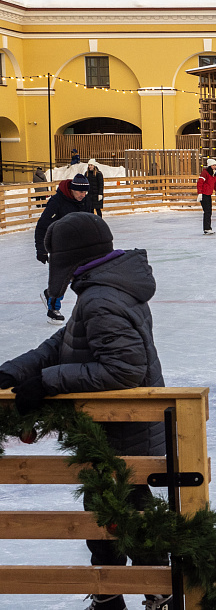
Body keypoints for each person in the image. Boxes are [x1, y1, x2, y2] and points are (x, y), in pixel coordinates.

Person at [0, 212, 171, 610]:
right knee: (107, 518)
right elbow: (66, 339)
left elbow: (125, 370)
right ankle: (112, 592)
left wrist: (48, 382)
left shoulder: (101, 298)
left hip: (123, 436)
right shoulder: (102, 289)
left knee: (124, 519)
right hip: (115, 433)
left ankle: (154, 593)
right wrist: (16, 371)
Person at [35, 174, 90, 324]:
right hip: (60, 246)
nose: (83, 195)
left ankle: (53, 294)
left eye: (85, 192)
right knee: (62, 278)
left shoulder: (85, 200)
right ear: (72, 189)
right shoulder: (57, 202)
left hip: (79, 246)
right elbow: (42, 225)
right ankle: (53, 308)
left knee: (84, 275)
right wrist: (41, 249)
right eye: (80, 192)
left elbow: (90, 222)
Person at [196, 158, 216, 235]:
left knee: (209, 212)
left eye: (215, 165)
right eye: (213, 165)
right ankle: (207, 228)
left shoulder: (214, 174)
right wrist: (200, 193)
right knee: (207, 211)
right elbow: (200, 183)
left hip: (208, 195)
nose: (215, 166)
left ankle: (208, 228)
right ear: (209, 165)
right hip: (203, 195)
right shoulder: (205, 173)